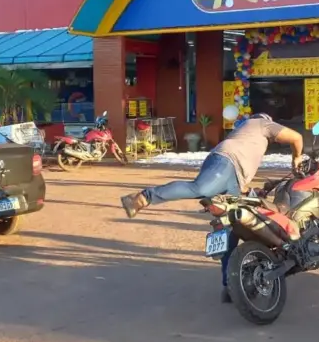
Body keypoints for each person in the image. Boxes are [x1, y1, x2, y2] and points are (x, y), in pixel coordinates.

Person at [120, 113, 304, 302]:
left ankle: (231, 286)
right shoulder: (261, 123)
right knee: (200, 188)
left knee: (231, 230)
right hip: (226, 162)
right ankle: (143, 197)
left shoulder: (245, 135)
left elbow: (234, 181)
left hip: (232, 176)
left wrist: (251, 192)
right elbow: (296, 137)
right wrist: (296, 159)